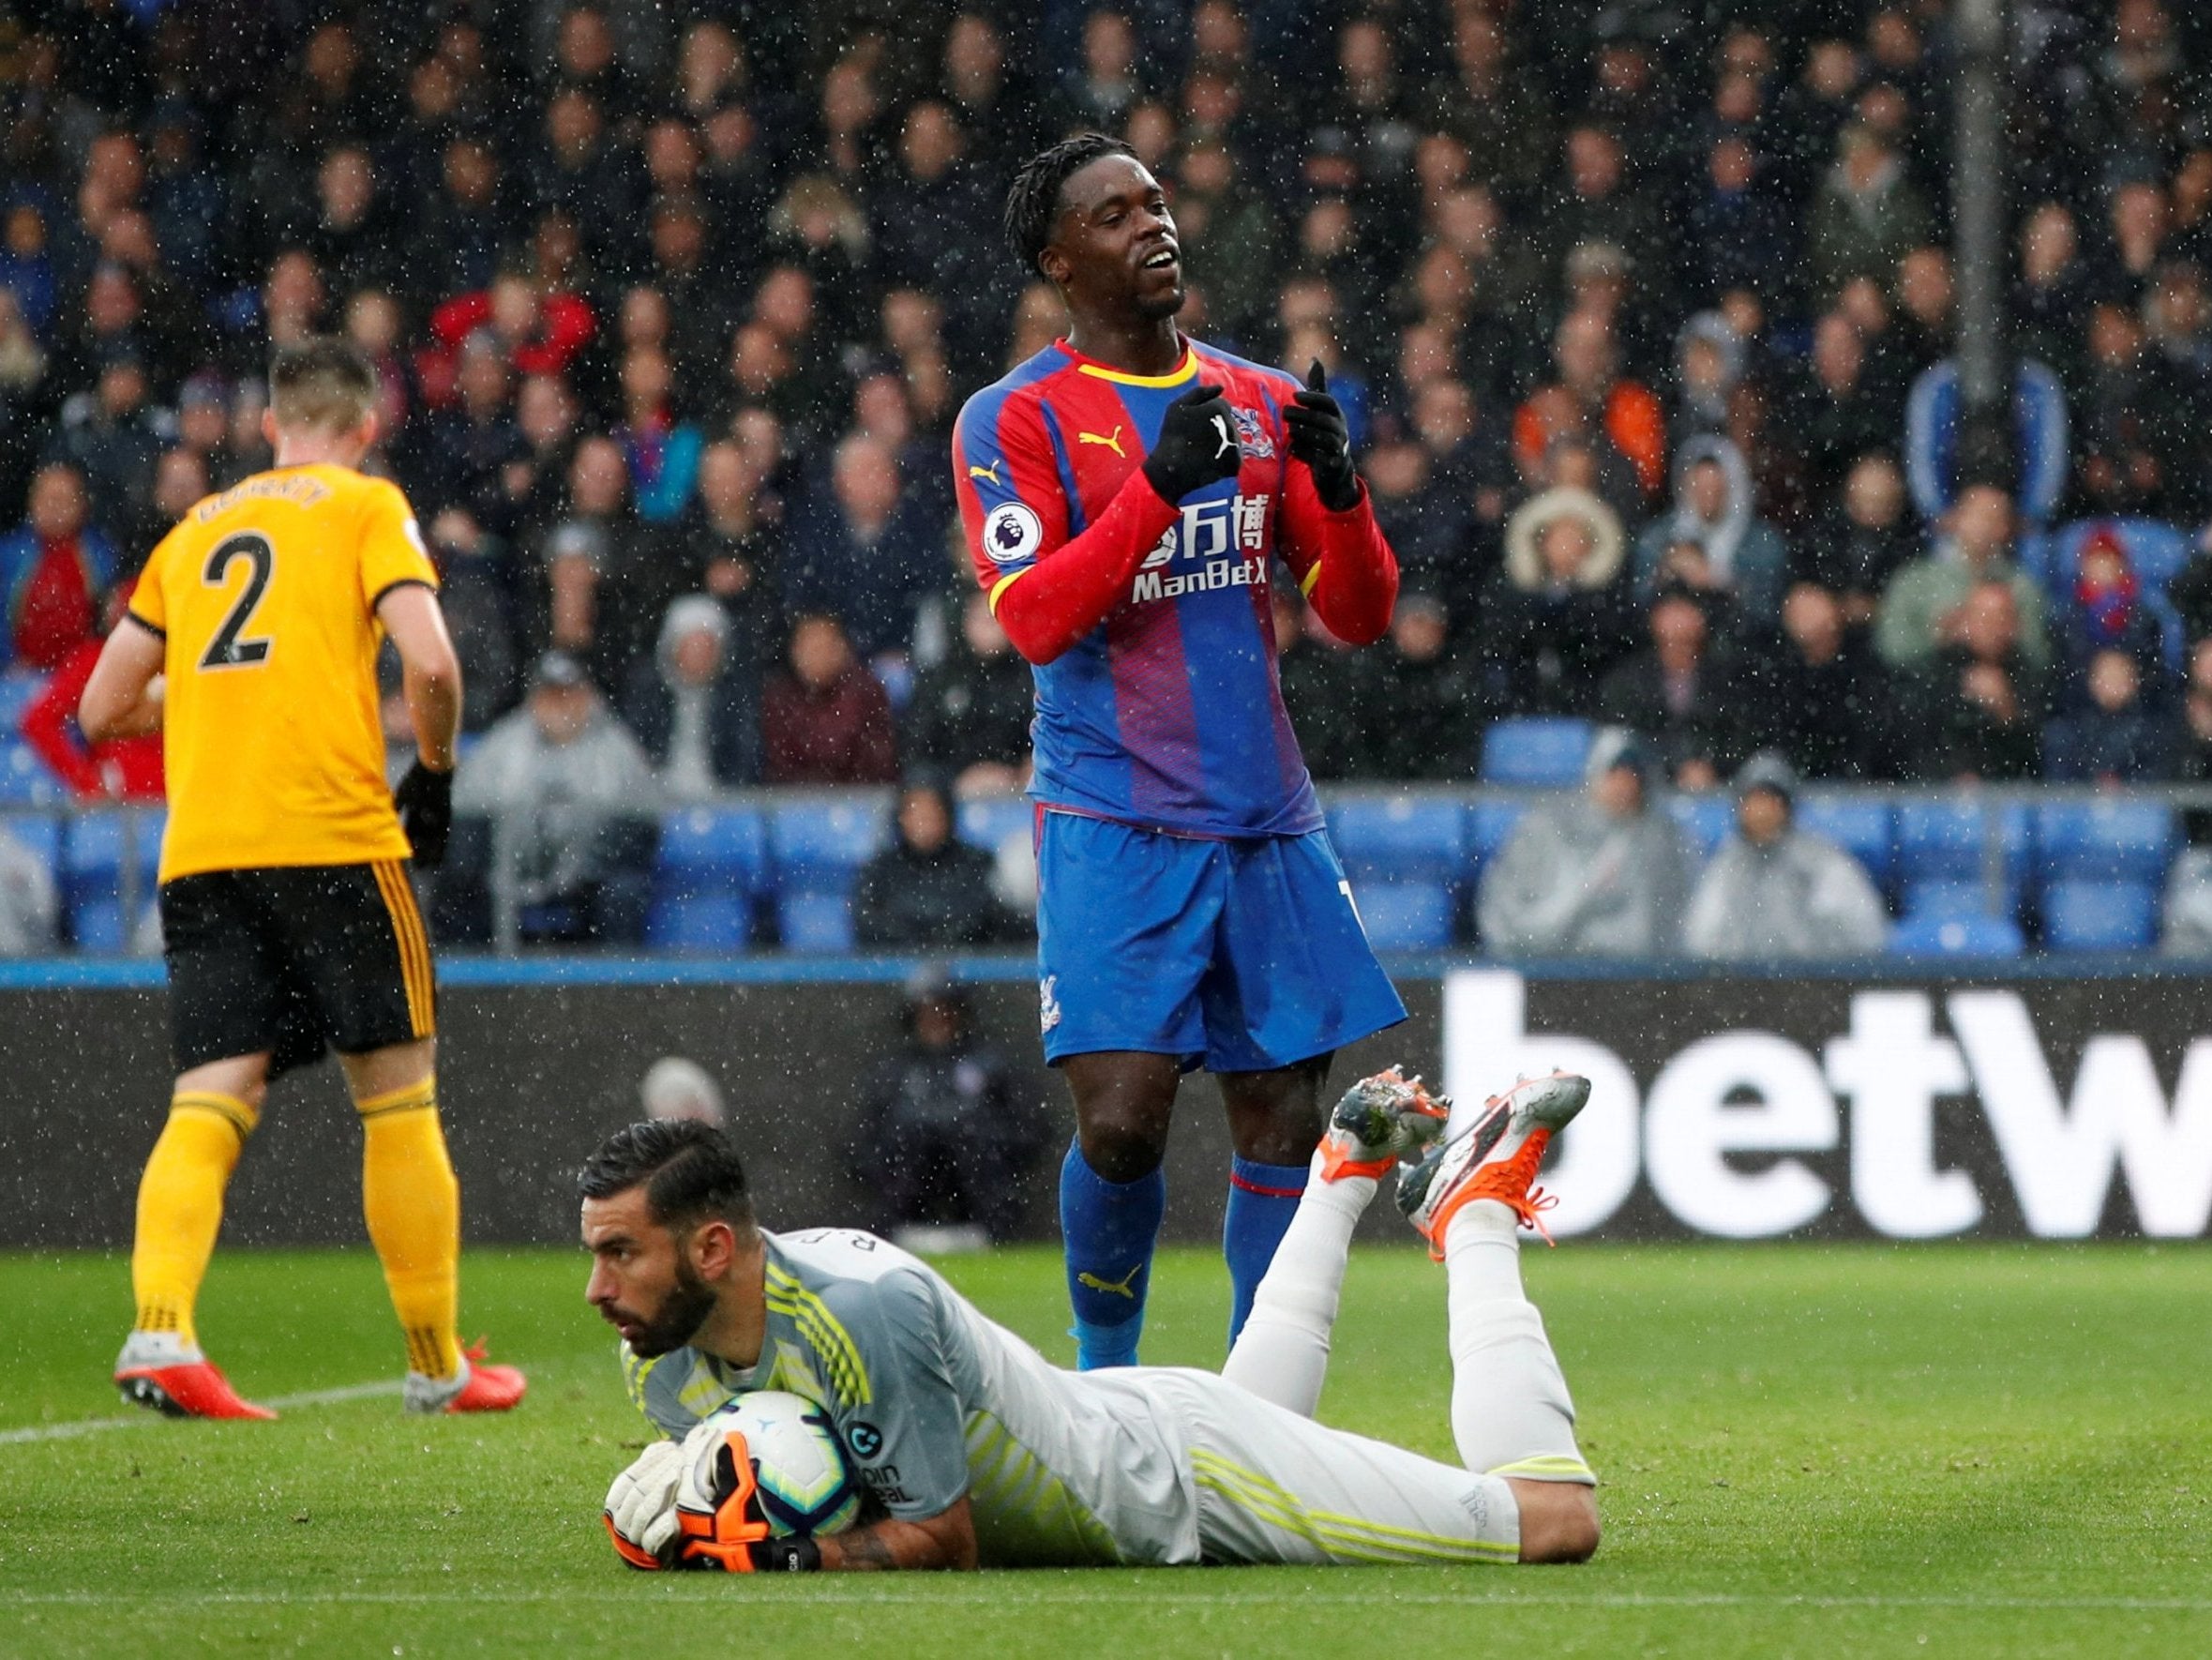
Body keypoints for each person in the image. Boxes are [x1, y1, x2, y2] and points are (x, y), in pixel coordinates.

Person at [951, 134, 1405, 1370]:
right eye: (1111, 215)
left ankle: (1252, 1407)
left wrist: (1341, 487)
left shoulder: (1259, 402)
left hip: (1264, 815)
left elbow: (1360, 615)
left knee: (1279, 1118)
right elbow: (1034, 619)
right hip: (1113, 817)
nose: (1150, 226)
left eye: (1153, 203)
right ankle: (1107, 1385)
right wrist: (1154, 488)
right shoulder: (1013, 418)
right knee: (1119, 1127)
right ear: (1056, 259)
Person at [589, 1071, 1601, 1572]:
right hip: (1121, 1429)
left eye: (620, 1253)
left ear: (713, 1250)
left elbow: (943, 1534)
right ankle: (1340, 1178)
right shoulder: (662, 1368)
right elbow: (786, 1480)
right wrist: (701, 1520)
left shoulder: (861, 1311)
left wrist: (776, 1554)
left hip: (1188, 1477)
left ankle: (1473, 1212)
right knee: (1246, 1416)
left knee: (1553, 1522)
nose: (598, 1288)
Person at [76, 338, 524, 1420]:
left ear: (270, 425)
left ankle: (161, 1332)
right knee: (398, 1091)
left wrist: (212, 702)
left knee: (211, 1094)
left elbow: (101, 712)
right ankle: (432, 1362)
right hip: (329, 835)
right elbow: (431, 664)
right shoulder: (365, 508)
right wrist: (442, 770)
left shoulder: (195, 531)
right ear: (364, 429)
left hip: (206, 852)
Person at [443, 650, 662, 946]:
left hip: (590, 880)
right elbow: (466, 808)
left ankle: (613, 987)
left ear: (587, 695)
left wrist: (586, 859)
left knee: (624, 891)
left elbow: (643, 818)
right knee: (461, 885)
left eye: (569, 693)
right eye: (551, 694)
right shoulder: (505, 741)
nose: (561, 703)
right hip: (510, 871)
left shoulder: (616, 747)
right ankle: (471, 984)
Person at [844, 966, 1045, 1250]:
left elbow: (1029, 1131)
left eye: (944, 1011)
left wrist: (968, 1132)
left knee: (971, 1134)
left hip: (979, 1211)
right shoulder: (894, 1072)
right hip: (905, 1212)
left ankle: (996, 1231)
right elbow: (863, 1144)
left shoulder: (990, 1065)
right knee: (909, 1133)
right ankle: (889, 1233)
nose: (936, 1020)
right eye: (928, 1012)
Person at [1478, 730, 1691, 958]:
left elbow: (1673, 933)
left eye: (1632, 776)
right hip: (1551, 972)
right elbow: (1510, 922)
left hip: (1635, 978)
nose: (1624, 785)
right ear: (1595, 776)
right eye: (1614, 774)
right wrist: (1586, 890)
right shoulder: (1546, 829)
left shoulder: (1662, 840)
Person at [1682, 753, 1888, 960]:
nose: (1761, 811)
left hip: (1814, 982)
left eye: (1770, 800)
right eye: (1754, 800)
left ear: (1787, 807)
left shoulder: (1820, 861)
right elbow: (1700, 940)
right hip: (1743, 983)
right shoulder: (1727, 866)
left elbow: (1865, 934)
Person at [852, 780, 1026, 949]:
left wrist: (950, 938)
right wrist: (913, 941)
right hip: (895, 969)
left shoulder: (977, 863)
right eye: (916, 814)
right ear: (901, 818)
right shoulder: (880, 869)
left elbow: (993, 918)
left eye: (931, 814)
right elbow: (867, 921)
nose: (924, 824)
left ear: (947, 816)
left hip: (972, 966)